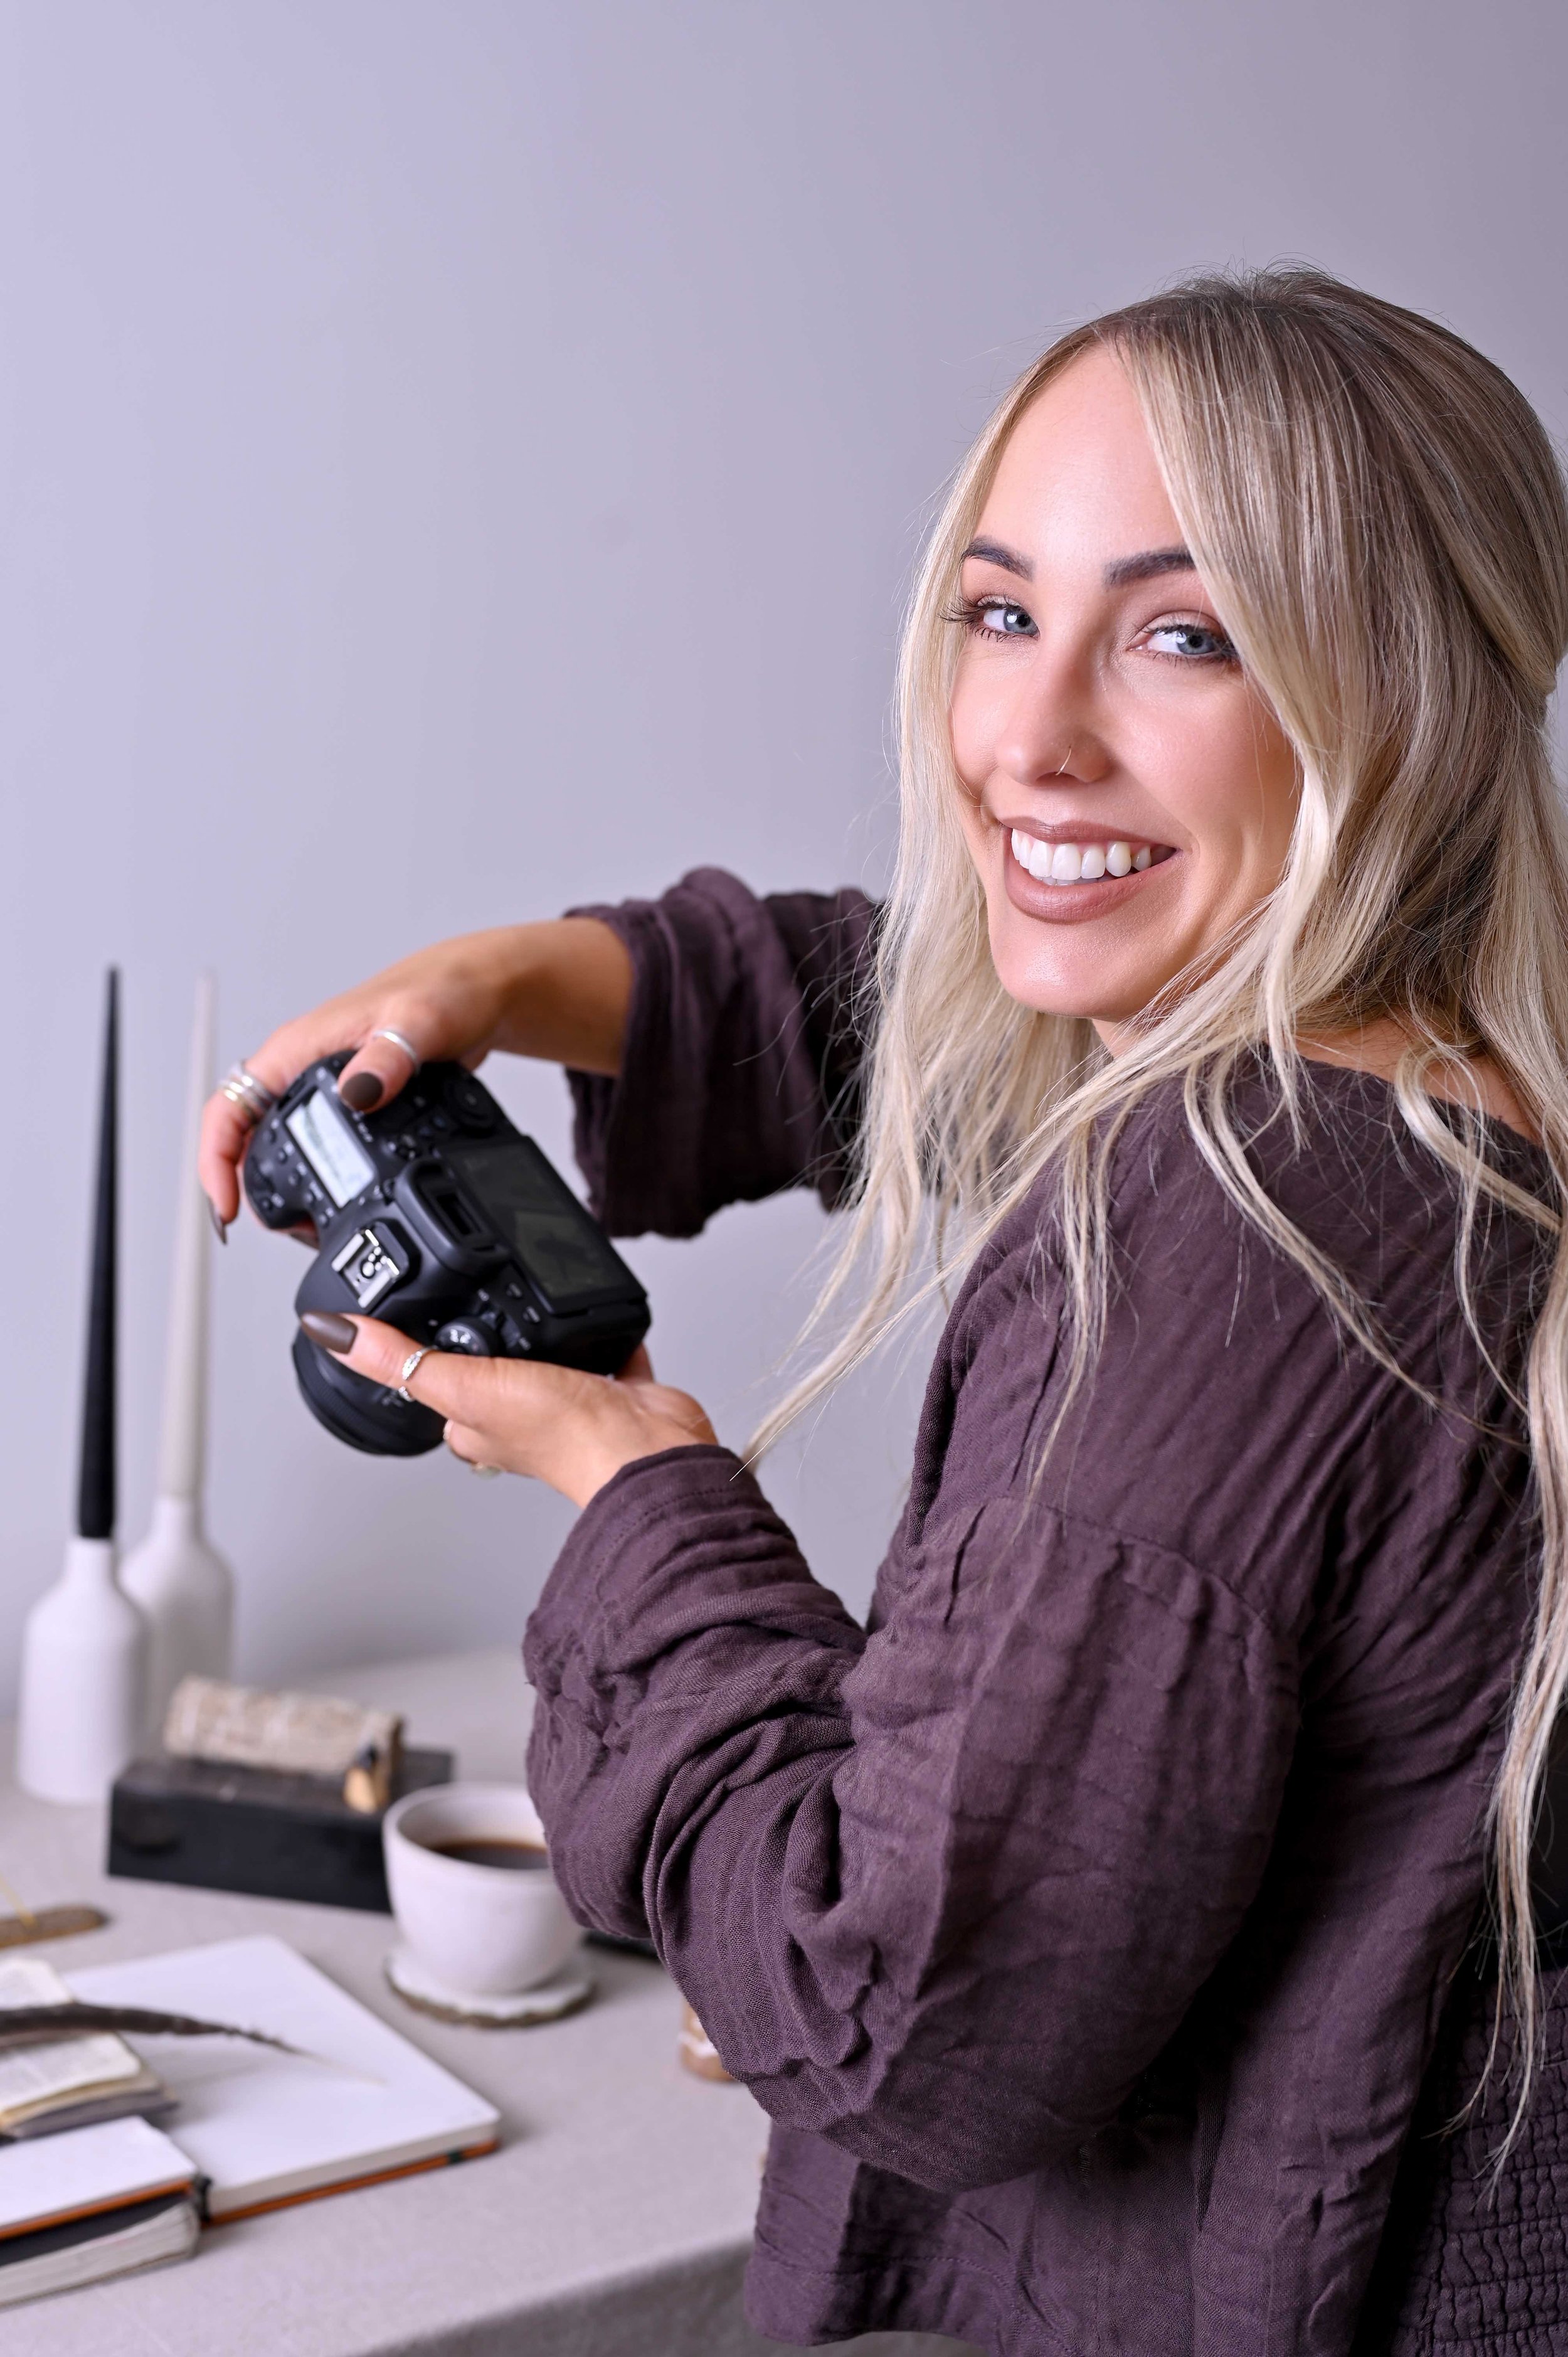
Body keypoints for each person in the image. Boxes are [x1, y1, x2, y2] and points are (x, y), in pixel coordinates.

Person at [201, 270, 1568, 2354]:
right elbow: (944, 1000)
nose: (1024, 735)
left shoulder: (1242, 1236)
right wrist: (527, 975)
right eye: (1002, 611)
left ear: (1402, 694)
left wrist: (633, 1493)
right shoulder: (1468, 1093)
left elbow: (890, 2012)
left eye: (1182, 635)